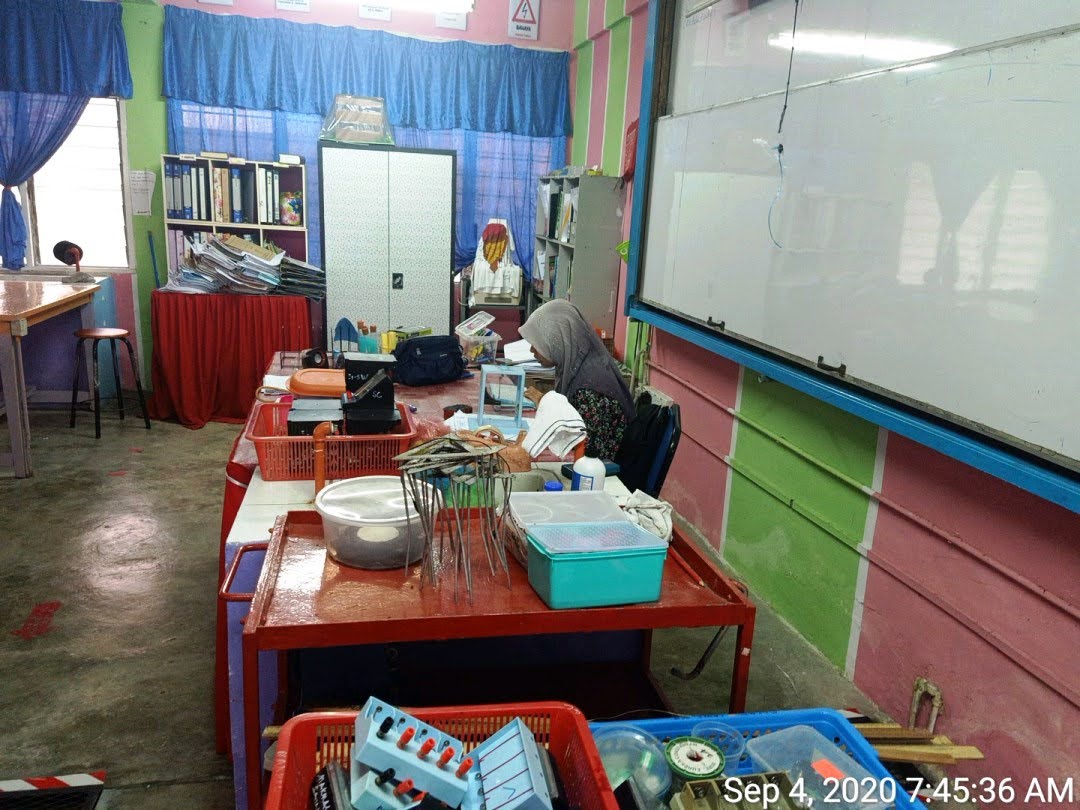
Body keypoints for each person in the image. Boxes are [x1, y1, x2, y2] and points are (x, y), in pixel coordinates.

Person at [518, 299, 635, 460]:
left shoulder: (589, 390)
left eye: (537, 344)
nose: (532, 350)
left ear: (557, 340)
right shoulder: (576, 366)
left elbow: (585, 450)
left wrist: (547, 405)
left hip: (599, 469)